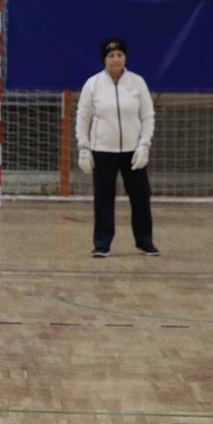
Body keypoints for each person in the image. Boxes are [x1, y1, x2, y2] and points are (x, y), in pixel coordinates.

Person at [76, 37, 158, 258]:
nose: (116, 59)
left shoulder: (137, 82)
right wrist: (84, 147)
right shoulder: (93, 84)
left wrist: (144, 145)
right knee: (103, 197)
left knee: (141, 197)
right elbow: (83, 117)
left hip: (133, 151)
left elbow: (148, 116)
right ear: (104, 59)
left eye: (119, 55)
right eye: (111, 55)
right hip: (103, 151)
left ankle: (145, 241)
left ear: (125, 57)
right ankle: (102, 244)